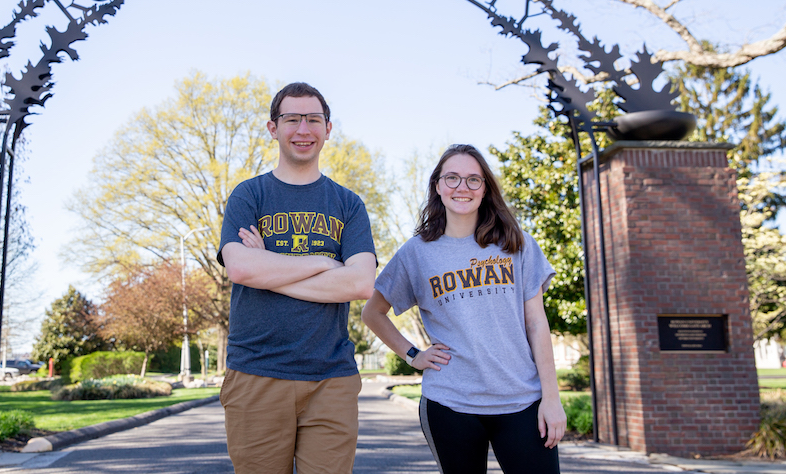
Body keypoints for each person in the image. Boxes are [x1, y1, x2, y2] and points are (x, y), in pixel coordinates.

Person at [362, 144, 565, 474]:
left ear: (485, 189)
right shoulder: (417, 252)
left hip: (523, 401)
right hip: (450, 403)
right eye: (452, 178)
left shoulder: (516, 243)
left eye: (473, 180)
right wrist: (412, 354)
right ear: (438, 186)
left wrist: (551, 398)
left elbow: (537, 324)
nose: (462, 187)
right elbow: (372, 313)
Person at [217, 82, 377, 474]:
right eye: (291, 119)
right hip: (256, 372)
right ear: (273, 128)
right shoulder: (248, 196)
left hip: (331, 378)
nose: (302, 129)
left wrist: (267, 268)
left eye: (313, 119)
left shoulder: (348, 204)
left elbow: (359, 284)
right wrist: (326, 261)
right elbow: (239, 268)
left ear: (328, 128)